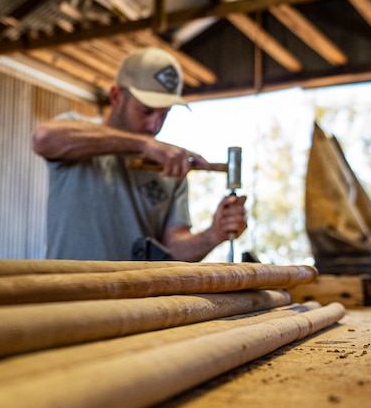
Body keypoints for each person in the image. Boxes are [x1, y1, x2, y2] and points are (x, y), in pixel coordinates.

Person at [32, 47, 247, 262]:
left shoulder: (170, 169)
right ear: (116, 97)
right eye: (146, 111)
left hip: (133, 294)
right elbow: (43, 138)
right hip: (71, 293)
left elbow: (173, 252)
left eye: (164, 115)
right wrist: (142, 144)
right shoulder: (78, 136)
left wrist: (213, 235)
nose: (154, 126)